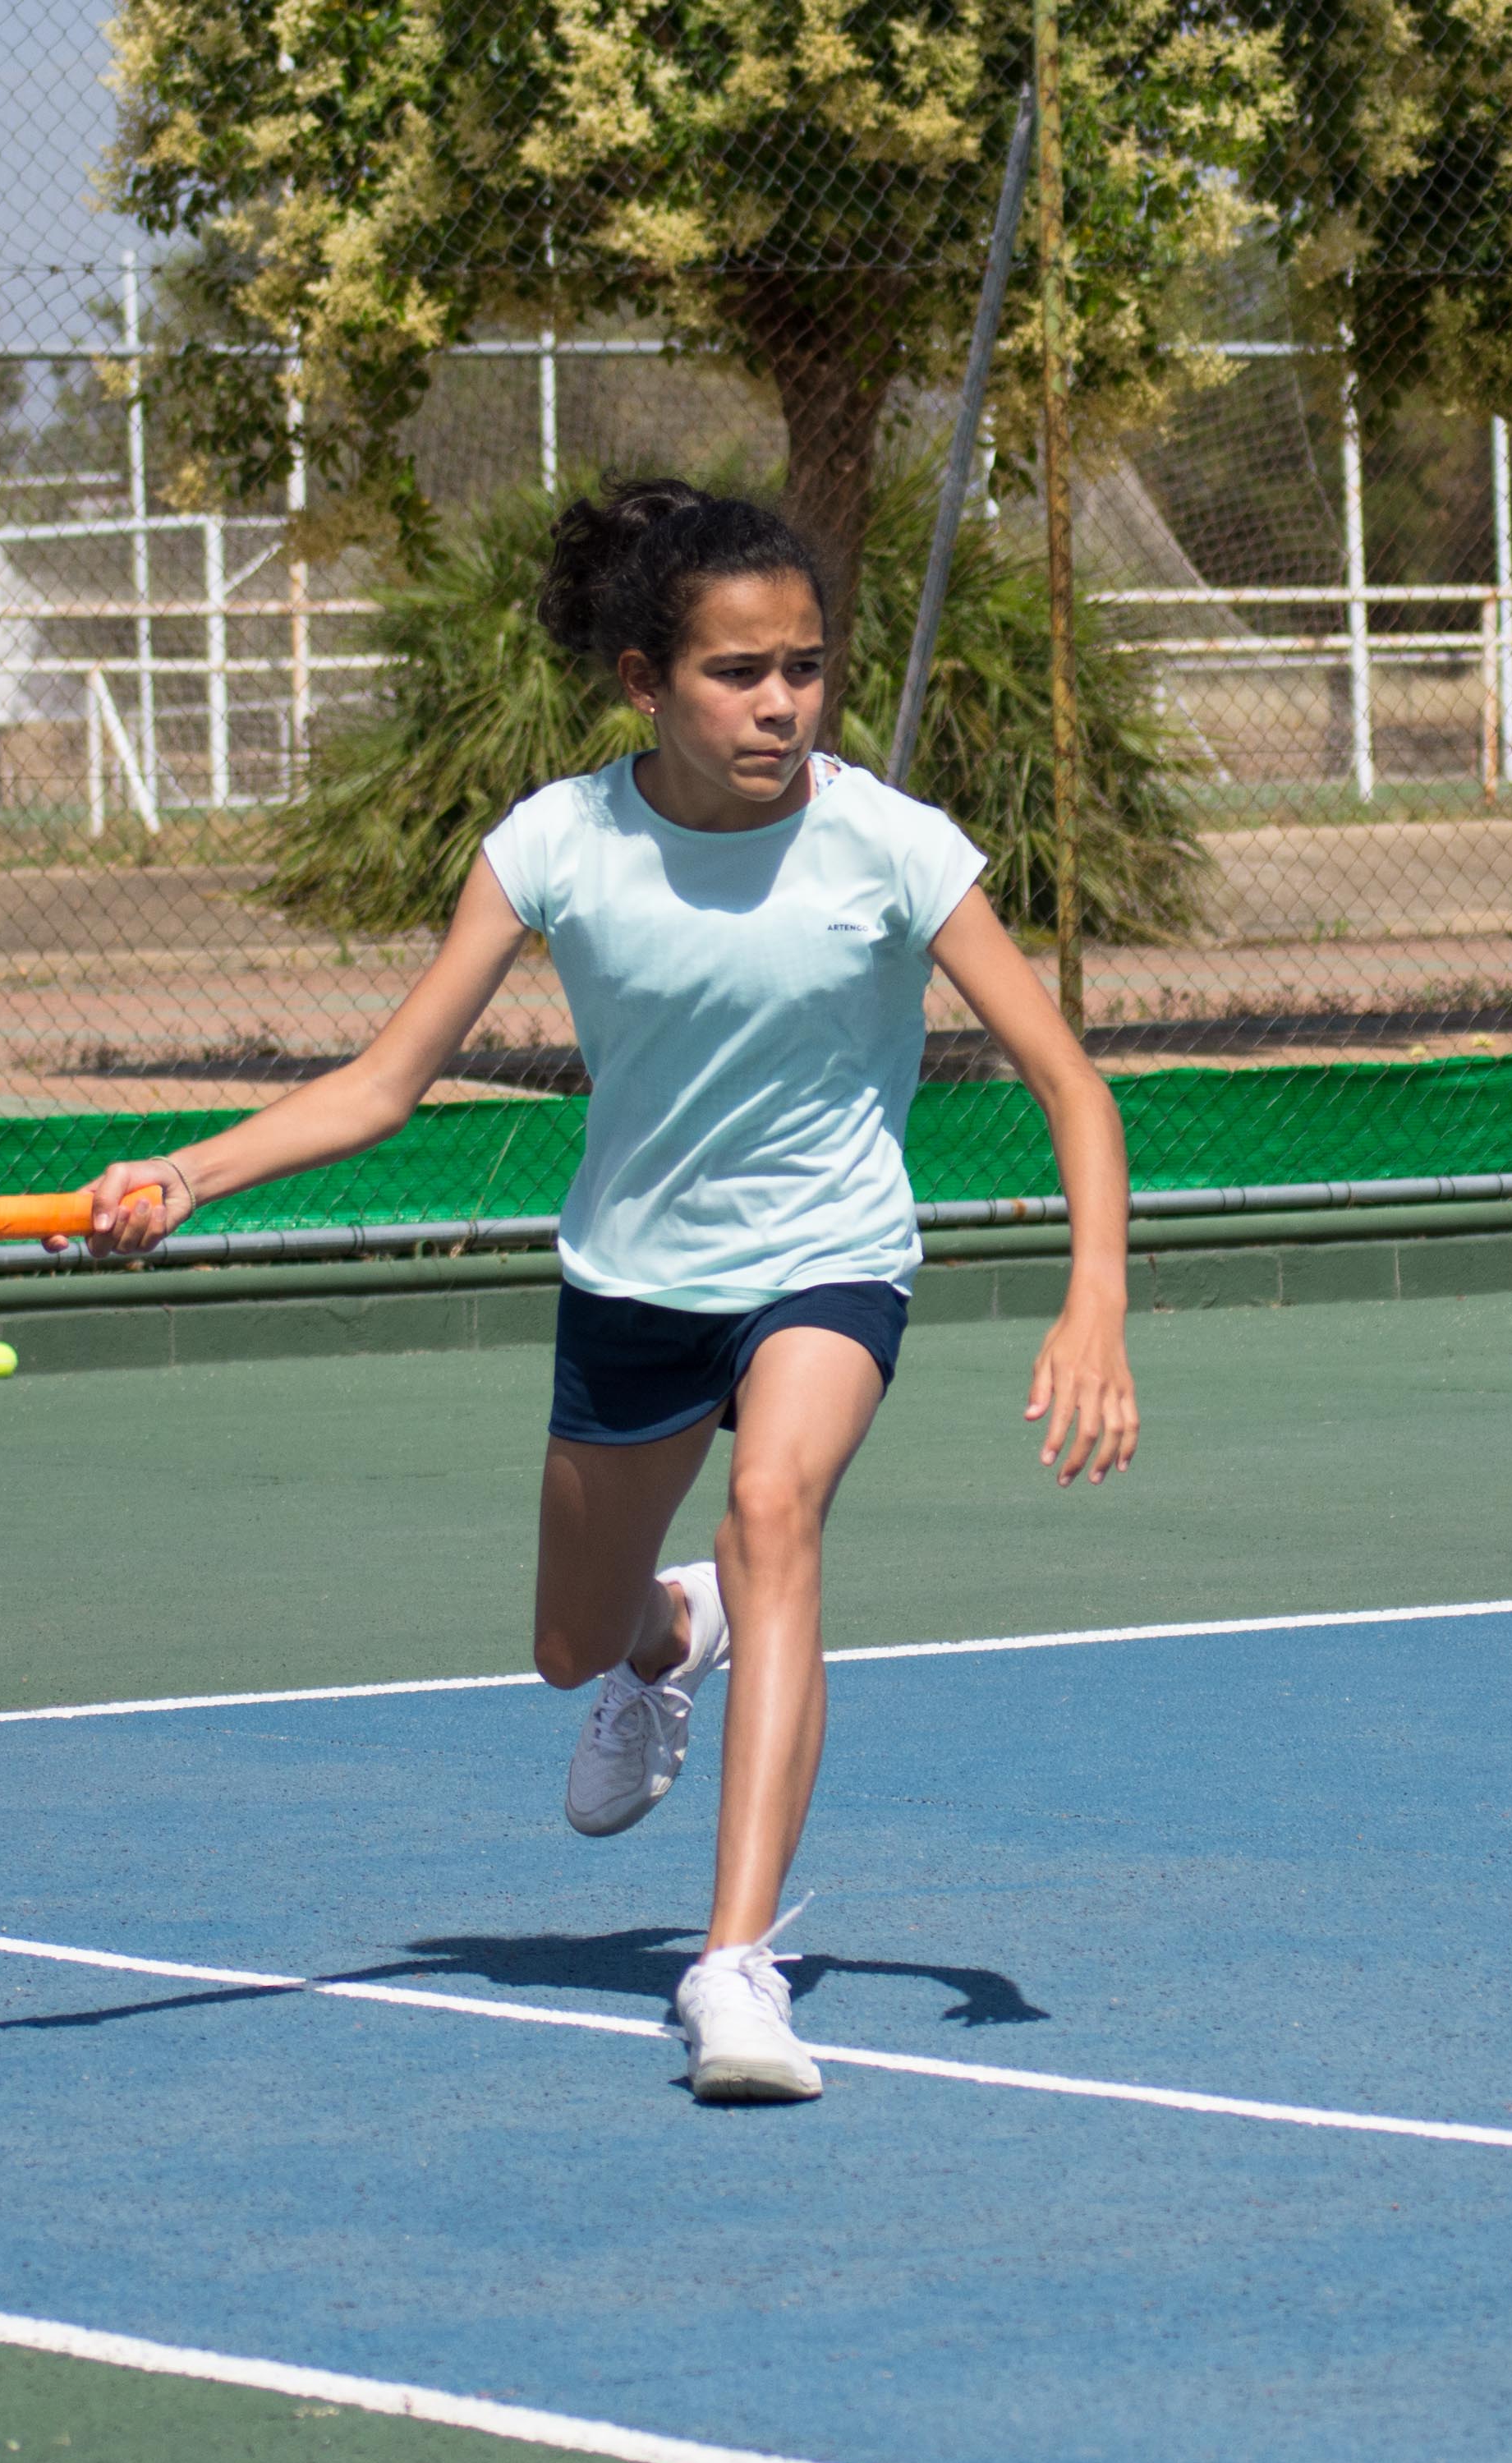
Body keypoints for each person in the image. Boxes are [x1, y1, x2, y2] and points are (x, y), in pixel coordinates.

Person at [70, 480, 1137, 2103]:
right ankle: (668, 1637)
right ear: (645, 680)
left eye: (803, 667)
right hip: (633, 1281)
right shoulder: (555, 845)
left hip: (830, 1257)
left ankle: (736, 1968)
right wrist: (186, 1173)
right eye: (737, 672)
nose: (779, 703)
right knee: (571, 1644)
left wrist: (1093, 1300)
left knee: (775, 1511)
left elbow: (1069, 1081)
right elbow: (382, 1085)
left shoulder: (892, 846)